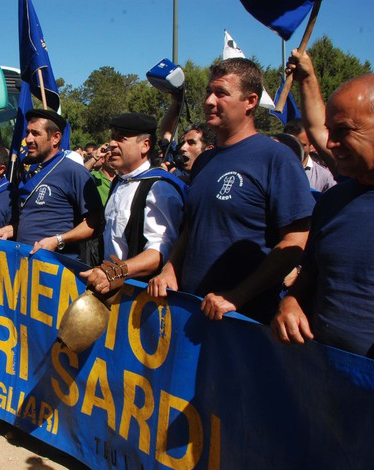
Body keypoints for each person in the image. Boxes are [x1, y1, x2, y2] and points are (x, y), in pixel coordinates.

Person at [147, 58, 314, 325]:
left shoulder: (275, 158)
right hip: (190, 313)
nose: (210, 101)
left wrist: (237, 296)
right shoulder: (204, 161)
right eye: (208, 92)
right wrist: (170, 269)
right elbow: (192, 228)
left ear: (250, 101)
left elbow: (295, 242)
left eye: (221, 93)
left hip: (242, 323)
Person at [271, 74, 374, 357]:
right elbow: (313, 271)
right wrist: (291, 302)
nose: (330, 144)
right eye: (330, 131)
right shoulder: (332, 201)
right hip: (321, 376)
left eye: (344, 130)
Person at [81, 113, 185, 294]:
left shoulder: (158, 187)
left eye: (121, 139)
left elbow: (159, 251)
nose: (112, 144)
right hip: (111, 289)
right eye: (113, 138)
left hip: (140, 297)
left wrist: (114, 273)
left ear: (145, 145)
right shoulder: (119, 182)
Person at [0, 110, 103, 260]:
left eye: (35, 133)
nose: (28, 139)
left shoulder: (73, 171)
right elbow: (32, 221)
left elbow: (94, 222)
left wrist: (58, 240)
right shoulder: (30, 172)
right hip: (26, 265)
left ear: (55, 138)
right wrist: (8, 231)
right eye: (27, 132)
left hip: (57, 269)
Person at [284, 119, 337, 192]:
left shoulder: (324, 176)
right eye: (291, 144)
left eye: (302, 145)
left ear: (311, 144)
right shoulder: (271, 170)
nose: (296, 148)